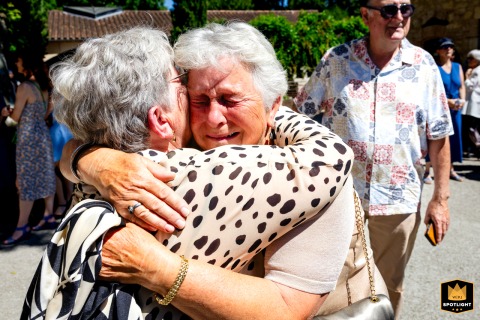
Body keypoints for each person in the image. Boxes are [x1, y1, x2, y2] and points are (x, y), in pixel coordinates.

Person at [23, 25, 357, 319]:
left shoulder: (304, 174)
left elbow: (287, 308)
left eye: (230, 100)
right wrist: (93, 160)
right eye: (196, 99)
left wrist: (157, 268)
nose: (214, 119)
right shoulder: (176, 162)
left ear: (273, 105)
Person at [294, 1, 453, 318]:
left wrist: (440, 199)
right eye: (389, 10)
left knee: (389, 285)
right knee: (329, 281)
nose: (398, 17)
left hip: (398, 198)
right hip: (338, 195)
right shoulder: (336, 60)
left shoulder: (423, 65)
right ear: (366, 15)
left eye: (405, 9)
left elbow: (439, 135)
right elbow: (301, 114)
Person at [0, 52, 56, 245]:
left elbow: (13, 119)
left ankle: (21, 226)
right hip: (42, 135)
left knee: (25, 180)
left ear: (27, 64)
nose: (16, 63)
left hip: (28, 138)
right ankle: (48, 216)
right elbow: (47, 112)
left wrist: (5, 114)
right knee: (45, 175)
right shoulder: (43, 87)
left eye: (19, 60)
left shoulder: (24, 87)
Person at [424, 38, 466, 182]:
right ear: (438, 51)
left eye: (451, 46)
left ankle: (451, 170)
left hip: (456, 108)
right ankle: (427, 171)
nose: (448, 49)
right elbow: (432, 90)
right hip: (440, 108)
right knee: (435, 137)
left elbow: (462, 86)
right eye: (445, 47)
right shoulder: (434, 68)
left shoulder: (458, 66)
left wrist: (463, 99)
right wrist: (447, 101)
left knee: (455, 139)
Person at [462, 49, 480, 154]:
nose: (468, 61)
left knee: (472, 127)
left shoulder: (476, 71)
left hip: (474, 103)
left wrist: (467, 77)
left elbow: (470, 86)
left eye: (471, 58)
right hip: (475, 102)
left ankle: (477, 145)